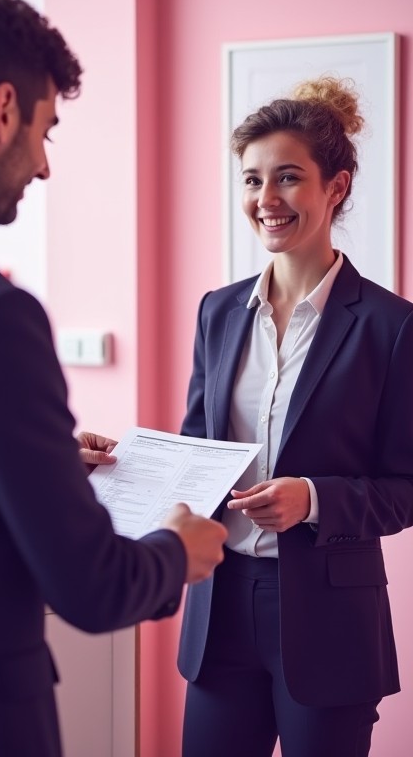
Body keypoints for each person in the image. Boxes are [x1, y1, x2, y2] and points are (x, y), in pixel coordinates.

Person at [0, 0, 227, 754]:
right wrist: (178, 548)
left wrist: (35, 459)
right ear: (4, 109)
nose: (44, 165)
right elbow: (92, 585)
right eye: (45, 131)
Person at [170, 77, 413, 757]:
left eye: (287, 179)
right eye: (251, 180)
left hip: (331, 621)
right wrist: (119, 462)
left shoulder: (392, 328)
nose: (265, 201)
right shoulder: (218, 312)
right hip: (219, 610)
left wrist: (313, 499)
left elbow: (406, 486)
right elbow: (196, 452)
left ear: (335, 188)